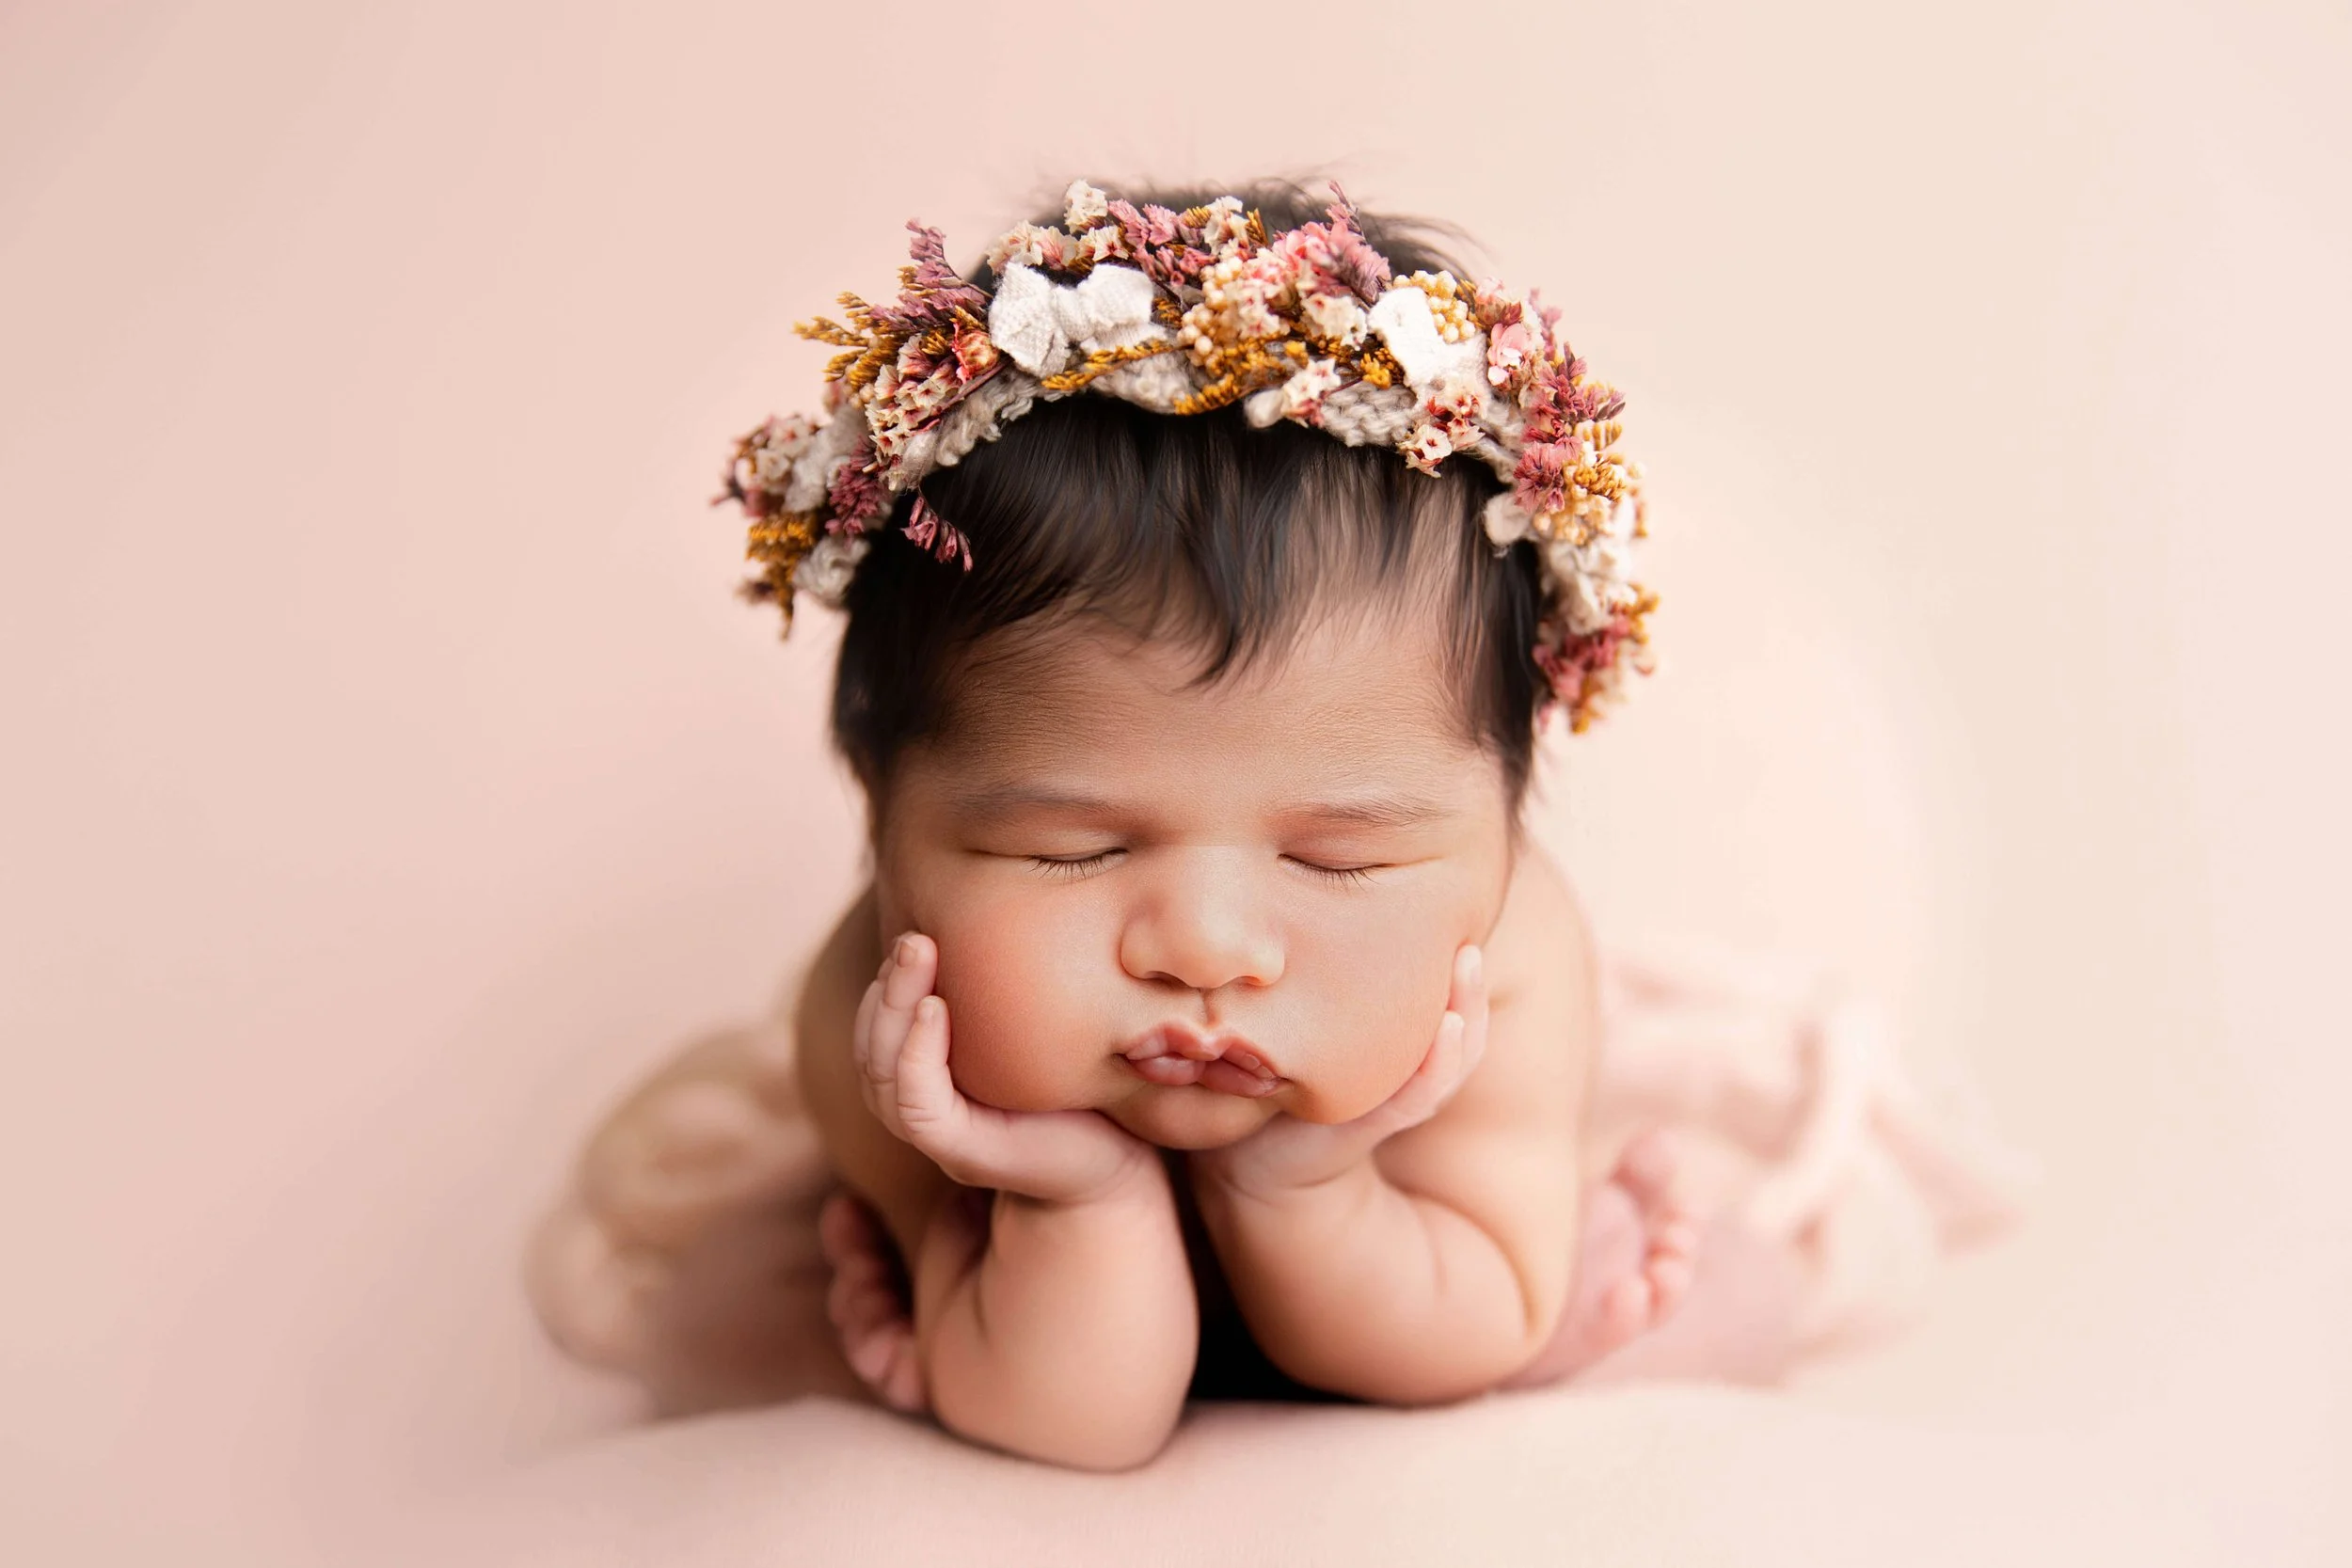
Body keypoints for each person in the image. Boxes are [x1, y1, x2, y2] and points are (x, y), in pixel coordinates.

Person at [549, 180, 1798, 1470]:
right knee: (732, 1322)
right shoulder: (882, 1015)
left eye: (1339, 857)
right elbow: (1074, 1422)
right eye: (1073, 848)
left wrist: (1303, 1184)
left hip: (1411, 1235)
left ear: (1503, 833)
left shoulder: (1513, 973)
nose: (1204, 947)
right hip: (1022, 1299)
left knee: (1724, 1298)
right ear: (887, 827)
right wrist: (1064, 1187)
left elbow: (1453, 1337)